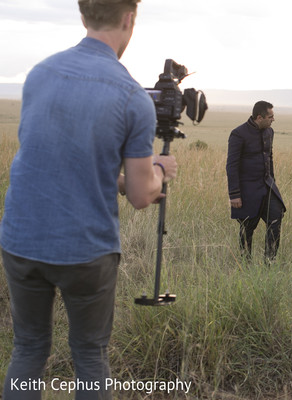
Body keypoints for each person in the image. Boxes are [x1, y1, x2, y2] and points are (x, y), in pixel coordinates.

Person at [0, 1, 177, 399]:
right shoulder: (133, 98)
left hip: (20, 240)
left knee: (27, 349)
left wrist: (113, 179)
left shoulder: (39, 74)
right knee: (90, 356)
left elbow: (51, 159)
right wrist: (162, 170)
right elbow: (140, 195)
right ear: (130, 18)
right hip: (85, 250)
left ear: (83, 16)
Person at [226, 101, 285, 261]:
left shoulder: (269, 132)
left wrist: (272, 181)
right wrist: (234, 194)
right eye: (270, 117)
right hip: (247, 190)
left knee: (276, 217)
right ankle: (245, 263)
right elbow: (231, 165)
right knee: (247, 227)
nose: (273, 120)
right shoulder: (238, 134)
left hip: (267, 186)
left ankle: (269, 261)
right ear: (260, 117)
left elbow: (269, 157)